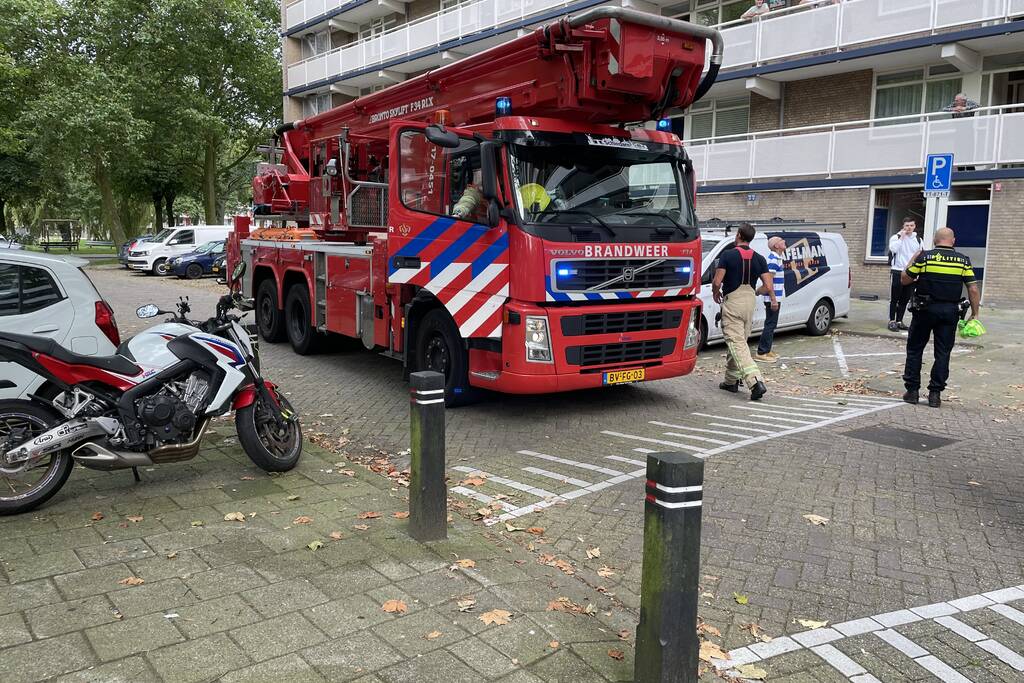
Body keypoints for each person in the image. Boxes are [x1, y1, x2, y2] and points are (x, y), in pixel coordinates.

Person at [900, 227, 980, 408]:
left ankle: (912, 392)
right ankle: (935, 395)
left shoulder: (925, 257)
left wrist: (913, 259)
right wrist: (975, 314)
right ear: (953, 241)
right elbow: (973, 289)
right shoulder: (963, 261)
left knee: (915, 350)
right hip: (949, 312)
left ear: (935, 241)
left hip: (924, 311)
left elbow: (905, 279)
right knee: (943, 353)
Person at [712, 223, 778, 400]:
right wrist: (757, 292)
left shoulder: (728, 255)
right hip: (750, 303)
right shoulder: (759, 258)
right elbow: (768, 285)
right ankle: (731, 381)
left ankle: (755, 381)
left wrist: (715, 292)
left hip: (733, 302)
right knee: (739, 342)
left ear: (739, 235)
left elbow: (718, 281)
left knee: (736, 342)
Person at [754, 236, 786, 362]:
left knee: (772, 324)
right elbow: (769, 281)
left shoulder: (778, 258)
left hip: (775, 297)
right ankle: (762, 352)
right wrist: (773, 299)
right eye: (781, 240)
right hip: (772, 298)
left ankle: (767, 350)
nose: (784, 242)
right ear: (776, 246)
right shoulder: (773, 259)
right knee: (770, 324)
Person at [888, 216, 921, 331]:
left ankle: (899, 321)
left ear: (914, 226)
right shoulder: (896, 237)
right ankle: (892, 321)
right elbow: (893, 249)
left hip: (911, 272)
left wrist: (918, 273)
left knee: (905, 298)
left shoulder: (918, 240)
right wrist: (901, 238)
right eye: (907, 225)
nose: (909, 228)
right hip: (897, 270)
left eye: (911, 225)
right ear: (903, 226)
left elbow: (920, 255)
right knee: (894, 298)